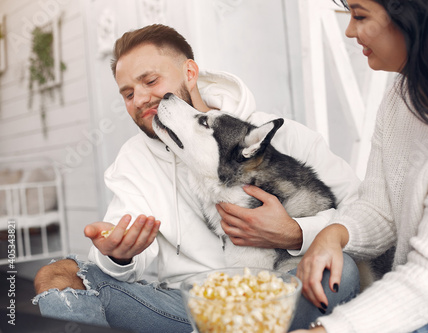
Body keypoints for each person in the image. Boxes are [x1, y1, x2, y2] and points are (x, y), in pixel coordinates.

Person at [32, 24, 361, 332]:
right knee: (57, 277)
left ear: (190, 72)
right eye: (128, 93)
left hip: (277, 299)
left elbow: (364, 214)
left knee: (341, 269)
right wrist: (119, 253)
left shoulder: (278, 134)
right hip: (187, 308)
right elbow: (122, 254)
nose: (141, 99)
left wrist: (295, 233)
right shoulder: (133, 160)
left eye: (150, 81)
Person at [291, 0, 428, 332]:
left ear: (413, 19)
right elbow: (381, 206)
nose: (349, 31)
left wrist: (332, 329)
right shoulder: (403, 93)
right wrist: (334, 233)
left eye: (360, 16)